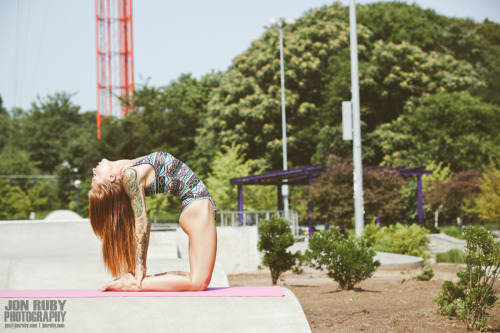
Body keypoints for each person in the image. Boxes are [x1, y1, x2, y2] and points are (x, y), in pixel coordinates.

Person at [88, 152, 217, 292]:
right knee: (198, 282)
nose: (94, 170)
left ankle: (133, 283)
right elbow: (141, 219)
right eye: (96, 176)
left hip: (196, 207)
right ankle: (132, 284)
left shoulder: (130, 166)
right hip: (197, 206)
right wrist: (140, 265)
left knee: (198, 280)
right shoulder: (130, 175)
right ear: (111, 177)